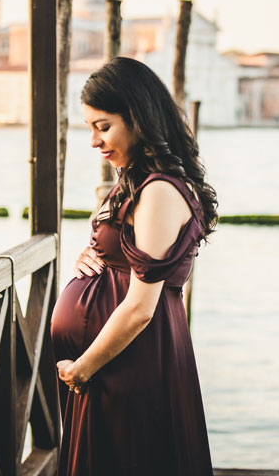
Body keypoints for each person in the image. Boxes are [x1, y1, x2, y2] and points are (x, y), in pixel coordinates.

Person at [50, 57, 218, 475]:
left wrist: (83, 368)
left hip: (129, 362)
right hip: (114, 362)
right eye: (90, 128)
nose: (94, 141)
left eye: (103, 127)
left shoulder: (159, 190)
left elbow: (142, 306)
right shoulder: (137, 180)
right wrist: (95, 258)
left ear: (138, 119)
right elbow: (127, 257)